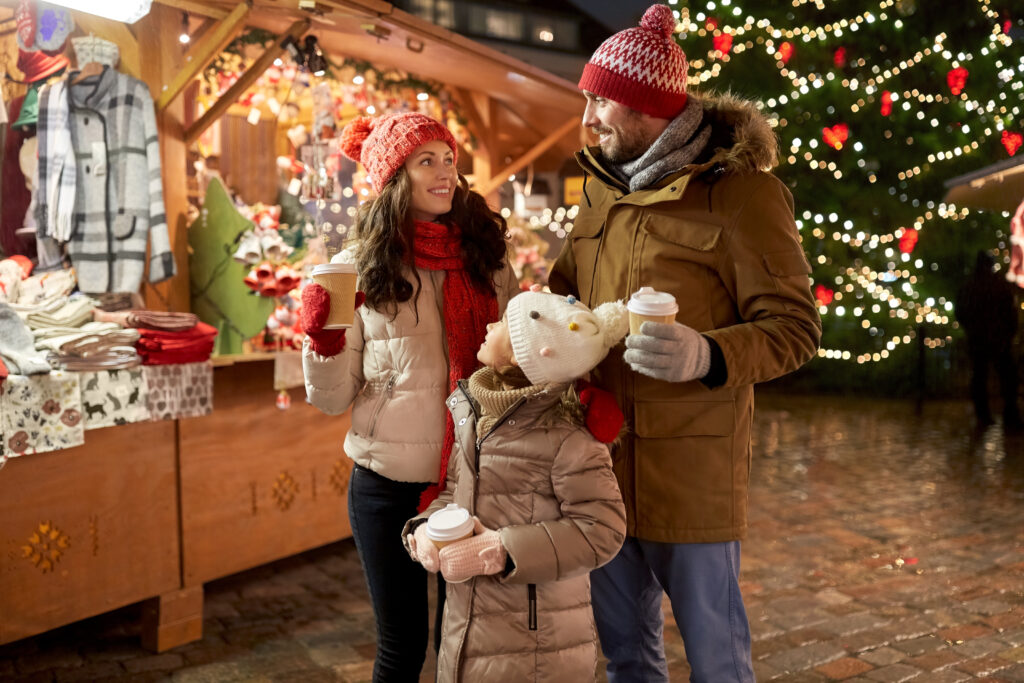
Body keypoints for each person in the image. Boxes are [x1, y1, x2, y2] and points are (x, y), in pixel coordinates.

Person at [547, 4, 822, 681]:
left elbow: (794, 328)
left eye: (601, 101)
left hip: (693, 482)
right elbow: (556, 302)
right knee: (625, 659)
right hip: (599, 472)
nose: (588, 118)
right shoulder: (596, 199)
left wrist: (709, 353)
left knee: (718, 663)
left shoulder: (742, 197)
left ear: (647, 109)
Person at [301, 112, 519, 681]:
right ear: (396, 177)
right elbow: (331, 398)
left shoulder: (486, 257)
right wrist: (321, 341)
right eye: (427, 162)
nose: (445, 173)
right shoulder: (356, 269)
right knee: (401, 648)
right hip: (386, 485)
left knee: (463, 643)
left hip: (473, 477)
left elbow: (514, 369)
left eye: (448, 160)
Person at [403, 289, 628, 681]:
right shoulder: (476, 413)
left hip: (536, 647)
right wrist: (425, 527)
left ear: (529, 356)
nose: (491, 325)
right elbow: (455, 490)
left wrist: (500, 549)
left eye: (506, 322)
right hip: (469, 628)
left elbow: (603, 530)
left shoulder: (567, 437)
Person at [955, 249, 1021, 429]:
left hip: (979, 338)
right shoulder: (998, 285)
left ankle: (983, 415)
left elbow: (960, 312)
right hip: (999, 338)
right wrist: (1008, 332)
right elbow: (1010, 312)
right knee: (1007, 377)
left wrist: (971, 328)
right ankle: (1010, 414)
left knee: (980, 377)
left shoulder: (970, 286)